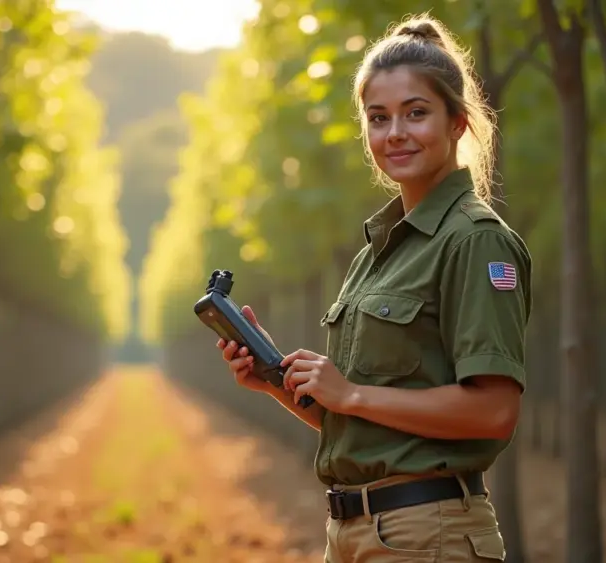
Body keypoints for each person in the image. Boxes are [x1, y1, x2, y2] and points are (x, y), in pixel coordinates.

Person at [216, 13, 531, 563]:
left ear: (458, 122)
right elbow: (368, 424)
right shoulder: (377, 253)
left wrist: (353, 393)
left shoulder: (475, 241)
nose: (395, 134)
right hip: (354, 533)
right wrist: (276, 383)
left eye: (416, 113)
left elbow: (494, 411)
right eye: (378, 118)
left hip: (426, 533)